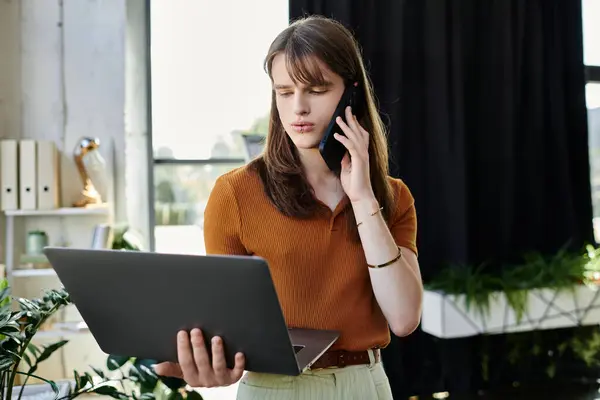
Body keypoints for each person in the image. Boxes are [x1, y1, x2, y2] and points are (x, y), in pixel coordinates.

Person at [154, 14, 423, 399]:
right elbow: (226, 328)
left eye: (315, 90)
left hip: (365, 384)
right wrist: (209, 365)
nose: (297, 107)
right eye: (284, 91)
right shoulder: (235, 194)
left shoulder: (393, 198)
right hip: (273, 388)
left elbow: (403, 318)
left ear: (351, 94)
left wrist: (363, 198)